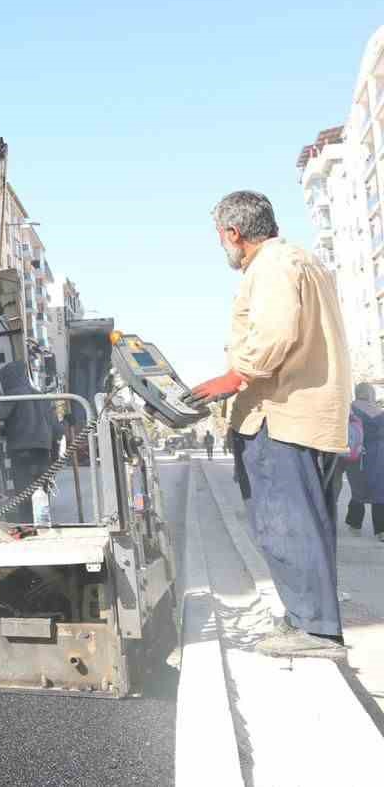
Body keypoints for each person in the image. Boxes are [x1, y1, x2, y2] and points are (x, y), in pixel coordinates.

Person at [185, 191, 351, 659]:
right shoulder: (303, 260)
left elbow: (275, 333)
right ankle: (309, 618)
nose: (223, 246)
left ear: (233, 233)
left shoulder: (271, 266)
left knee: (282, 522)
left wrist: (234, 376)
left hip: (280, 416)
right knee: (308, 523)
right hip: (311, 414)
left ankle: (315, 631)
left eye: (221, 237)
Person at [0, 359, 59, 525]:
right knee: (41, 492)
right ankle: (43, 526)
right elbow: (56, 429)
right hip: (43, 452)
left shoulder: (14, 394)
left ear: (9, 378)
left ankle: (28, 527)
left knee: (24, 494)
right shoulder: (41, 396)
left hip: (22, 451)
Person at [345, 386, 384, 540]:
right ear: (370, 394)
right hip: (378, 457)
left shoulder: (349, 409)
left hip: (356, 455)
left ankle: (354, 525)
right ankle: (381, 531)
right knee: (380, 492)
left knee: (357, 491)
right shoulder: (379, 412)